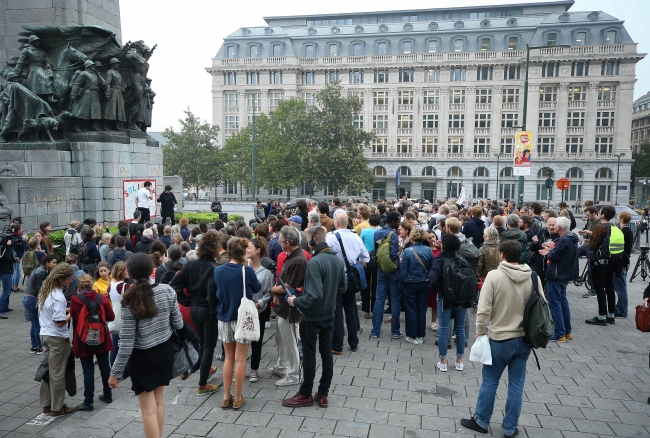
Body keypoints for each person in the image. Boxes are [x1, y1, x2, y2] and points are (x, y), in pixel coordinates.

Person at [461, 240, 543, 438]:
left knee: (490, 382)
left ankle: (481, 420)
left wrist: (479, 331)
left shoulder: (494, 276)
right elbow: (542, 304)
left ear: (502, 255)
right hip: (524, 339)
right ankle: (509, 427)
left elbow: (484, 307)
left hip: (499, 338)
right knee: (516, 385)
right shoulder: (533, 276)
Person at [108, 253, 183, 438]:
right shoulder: (167, 290)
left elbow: (126, 342)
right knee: (159, 402)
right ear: (151, 269)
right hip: (165, 352)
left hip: (142, 358)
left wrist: (115, 372)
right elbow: (178, 324)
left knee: (147, 410)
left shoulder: (129, 297)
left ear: (130, 273)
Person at [282, 225, 346, 408]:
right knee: (326, 354)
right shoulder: (337, 260)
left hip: (312, 317)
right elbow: (343, 287)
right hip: (329, 315)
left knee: (309, 355)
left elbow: (314, 296)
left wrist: (296, 301)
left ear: (312, 241)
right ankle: (323, 393)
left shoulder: (315, 262)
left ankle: (305, 394)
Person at [170, 232, 220, 395]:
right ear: (214, 251)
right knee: (209, 346)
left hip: (194, 309)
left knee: (202, 342)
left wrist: (186, 300)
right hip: (207, 311)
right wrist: (213, 308)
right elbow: (212, 292)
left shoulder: (191, 265)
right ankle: (202, 384)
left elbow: (174, 284)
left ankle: (202, 370)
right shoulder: (214, 269)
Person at [214, 237, 261, 409]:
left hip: (224, 317)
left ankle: (226, 396)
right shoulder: (246, 270)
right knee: (241, 360)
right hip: (242, 318)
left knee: (228, 358)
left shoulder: (218, 271)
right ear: (243, 253)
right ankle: (238, 397)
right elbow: (257, 287)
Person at [326, 211, 369, 354]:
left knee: (337, 311)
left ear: (336, 223)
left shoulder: (331, 237)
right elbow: (366, 258)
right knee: (351, 310)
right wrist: (356, 265)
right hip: (351, 278)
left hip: (336, 278)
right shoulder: (356, 237)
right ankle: (353, 343)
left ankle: (337, 345)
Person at [70, 274, 115, 411]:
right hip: (101, 336)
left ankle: (88, 402)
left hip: (83, 338)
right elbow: (111, 316)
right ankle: (107, 395)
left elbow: (73, 315)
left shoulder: (75, 299)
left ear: (79, 286)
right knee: (105, 367)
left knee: (88, 370)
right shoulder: (101, 298)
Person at [37, 263, 76, 417]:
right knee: (57, 374)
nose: (71, 281)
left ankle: (46, 405)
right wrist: (71, 312)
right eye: (69, 279)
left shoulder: (46, 291)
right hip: (57, 337)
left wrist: (67, 308)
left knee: (46, 371)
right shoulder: (59, 296)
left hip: (44, 334)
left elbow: (50, 310)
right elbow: (59, 321)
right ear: (62, 279)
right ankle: (57, 407)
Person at [429, 234, 471, 372]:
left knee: (444, 329)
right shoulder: (462, 260)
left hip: (445, 298)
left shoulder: (439, 260)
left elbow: (433, 281)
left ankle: (443, 360)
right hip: (462, 299)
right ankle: (459, 360)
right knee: (459, 329)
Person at [269, 227, 305, 386]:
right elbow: (282, 281)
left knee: (290, 342)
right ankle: (282, 366)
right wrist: (275, 293)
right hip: (282, 308)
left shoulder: (298, 260)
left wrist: (270, 290)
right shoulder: (292, 256)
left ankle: (294, 375)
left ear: (288, 243)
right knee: (281, 339)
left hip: (289, 309)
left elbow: (288, 286)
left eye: (281, 241)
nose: (279, 243)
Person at [540, 216, 579, 342]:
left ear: (559, 227)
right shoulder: (571, 238)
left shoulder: (564, 240)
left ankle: (560, 333)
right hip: (564, 275)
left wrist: (550, 250)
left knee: (555, 303)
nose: (553, 226)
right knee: (562, 302)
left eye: (555, 224)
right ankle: (567, 331)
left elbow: (554, 255)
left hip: (557, 274)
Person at [371, 211, 403, 339]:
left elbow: (377, 250)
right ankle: (395, 331)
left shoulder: (377, 232)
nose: (399, 224)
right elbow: (394, 254)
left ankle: (375, 331)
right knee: (395, 301)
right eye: (398, 221)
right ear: (393, 222)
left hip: (381, 269)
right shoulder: (393, 235)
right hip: (393, 270)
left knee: (379, 300)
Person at [586, 206, 619, 326]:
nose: (599, 214)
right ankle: (611, 315)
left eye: (600, 213)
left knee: (599, 288)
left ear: (603, 215)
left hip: (600, 262)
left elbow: (592, 246)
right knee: (610, 287)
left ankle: (601, 316)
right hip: (612, 261)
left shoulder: (600, 227)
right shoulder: (615, 227)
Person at [399, 228, 434, 345]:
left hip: (410, 283)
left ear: (412, 237)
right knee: (422, 309)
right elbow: (431, 267)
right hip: (424, 282)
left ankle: (412, 334)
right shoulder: (428, 250)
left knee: (411, 309)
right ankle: (420, 335)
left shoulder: (408, 251)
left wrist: (400, 283)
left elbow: (403, 271)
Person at [246, 238, 273, 383]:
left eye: (249, 247)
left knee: (257, 340)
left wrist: (260, 303)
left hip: (258, 311)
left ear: (258, 250)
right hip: (243, 310)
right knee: (242, 339)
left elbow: (269, 292)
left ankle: (254, 369)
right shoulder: (244, 266)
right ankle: (239, 368)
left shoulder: (267, 271)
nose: (246, 250)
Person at [108, 261, 130, 377]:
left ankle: (114, 371)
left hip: (114, 317)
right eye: (127, 270)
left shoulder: (110, 284)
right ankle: (125, 373)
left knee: (114, 345)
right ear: (122, 272)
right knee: (125, 346)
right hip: (124, 318)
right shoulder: (125, 286)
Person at [360, 213, 381, 319]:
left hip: (366, 260)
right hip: (377, 260)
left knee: (365, 285)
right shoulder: (380, 232)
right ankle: (374, 308)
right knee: (376, 285)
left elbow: (360, 245)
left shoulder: (364, 231)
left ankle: (366, 309)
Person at [613, 211, 633, 318]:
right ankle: (620, 308)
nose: (617, 217)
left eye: (618, 216)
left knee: (620, 288)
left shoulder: (623, 231)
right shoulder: (627, 231)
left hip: (621, 262)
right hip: (625, 261)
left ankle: (622, 311)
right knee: (621, 287)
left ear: (621, 219)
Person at [0, 231, 14, 319]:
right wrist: (8, 247)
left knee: (7, 290)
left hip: (5, 269)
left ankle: (5, 307)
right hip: (5, 271)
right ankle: (1, 310)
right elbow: (5, 257)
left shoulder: (3, 247)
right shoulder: (4, 248)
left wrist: (14, 259)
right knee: (6, 291)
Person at [10, 223, 27, 293]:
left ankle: (13, 287)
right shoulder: (19, 238)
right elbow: (23, 247)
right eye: (21, 228)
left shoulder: (11, 237)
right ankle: (16, 288)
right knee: (17, 273)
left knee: (14, 272)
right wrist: (25, 240)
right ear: (19, 230)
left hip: (13, 256)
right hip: (18, 256)